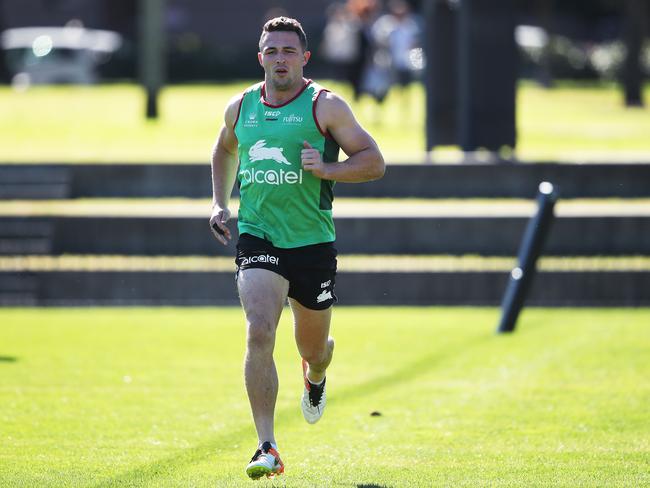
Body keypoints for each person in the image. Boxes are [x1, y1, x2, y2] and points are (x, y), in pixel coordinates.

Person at [208, 16, 385, 480]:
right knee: (259, 330)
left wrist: (326, 170)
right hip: (258, 234)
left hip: (312, 243)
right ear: (260, 56)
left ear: (304, 58)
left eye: (289, 51)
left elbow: (373, 162)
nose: (279, 59)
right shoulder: (241, 106)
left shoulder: (325, 106)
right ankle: (266, 445)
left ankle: (317, 373)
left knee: (314, 346)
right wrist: (218, 203)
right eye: (272, 51)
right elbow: (225, 149)